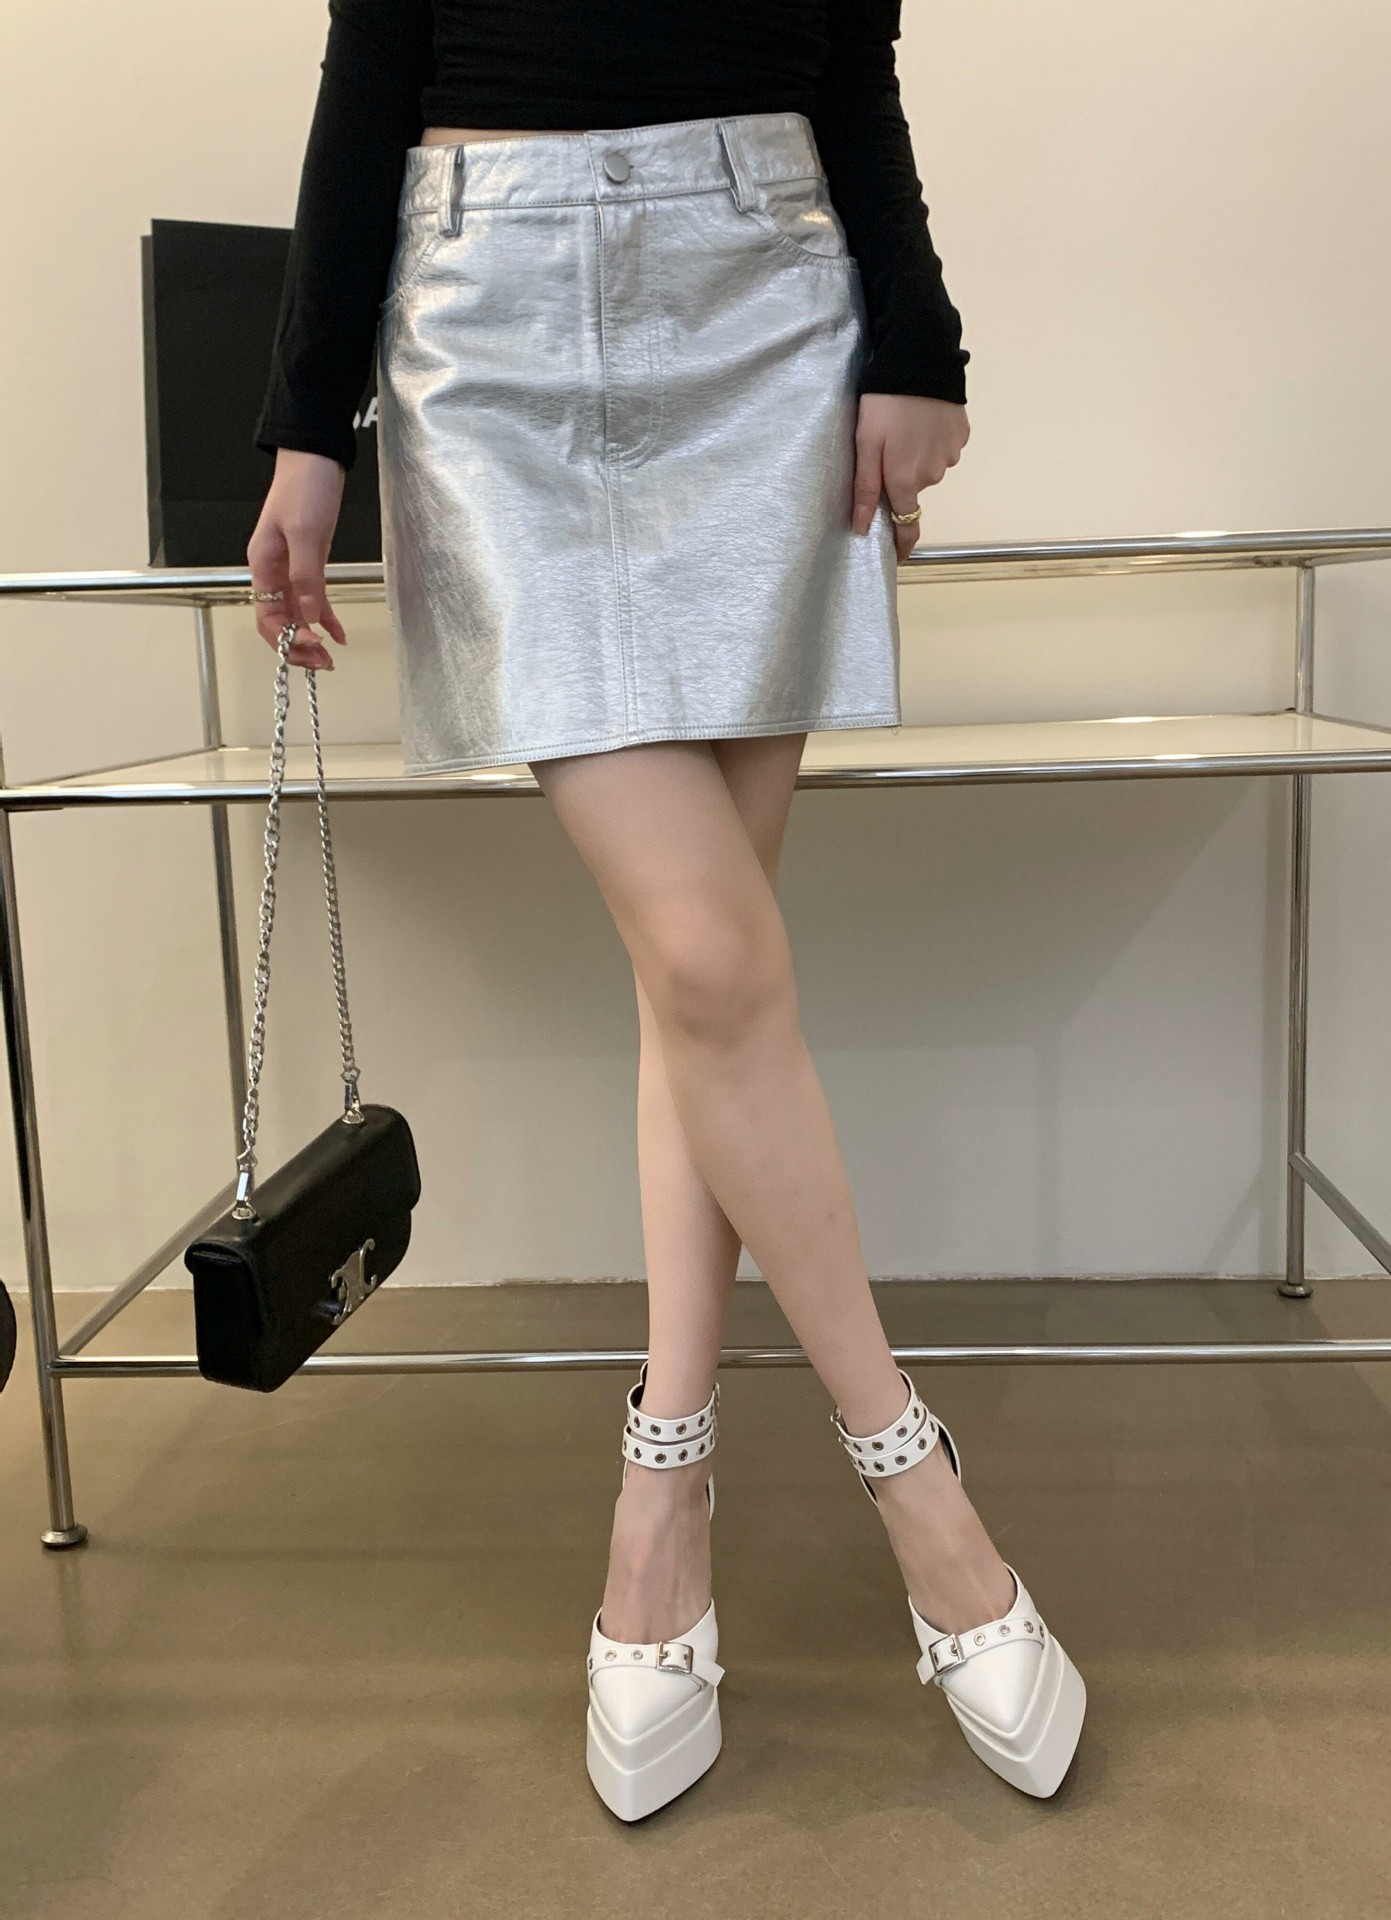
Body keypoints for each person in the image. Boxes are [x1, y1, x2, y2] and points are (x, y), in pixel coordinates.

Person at [247, 0, 1085, 1821]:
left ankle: (665, 1487)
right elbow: (373, 61)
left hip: (762, 299)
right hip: (489, 320)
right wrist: (307, 420)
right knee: (710, 956)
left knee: (702, 980)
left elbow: (849, 54)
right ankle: (913, 1480)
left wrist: (917, 340)